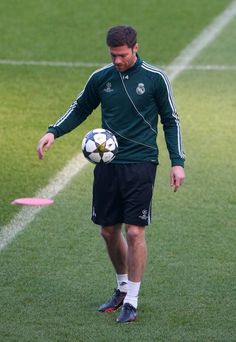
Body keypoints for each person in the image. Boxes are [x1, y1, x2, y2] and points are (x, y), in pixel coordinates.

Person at [37, 25, 185, 323]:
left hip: (141, 162)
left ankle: (132, 299)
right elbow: (81, 107)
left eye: (122, 55)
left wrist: (177, 161)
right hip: (108, 164)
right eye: (112, 55)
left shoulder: (155, 79)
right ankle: (120, 288)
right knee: (108, 231)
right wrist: (54, 132)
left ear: (135, 48)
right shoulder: (101, 78)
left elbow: (171, 120)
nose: (117, 61)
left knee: (134, 231)